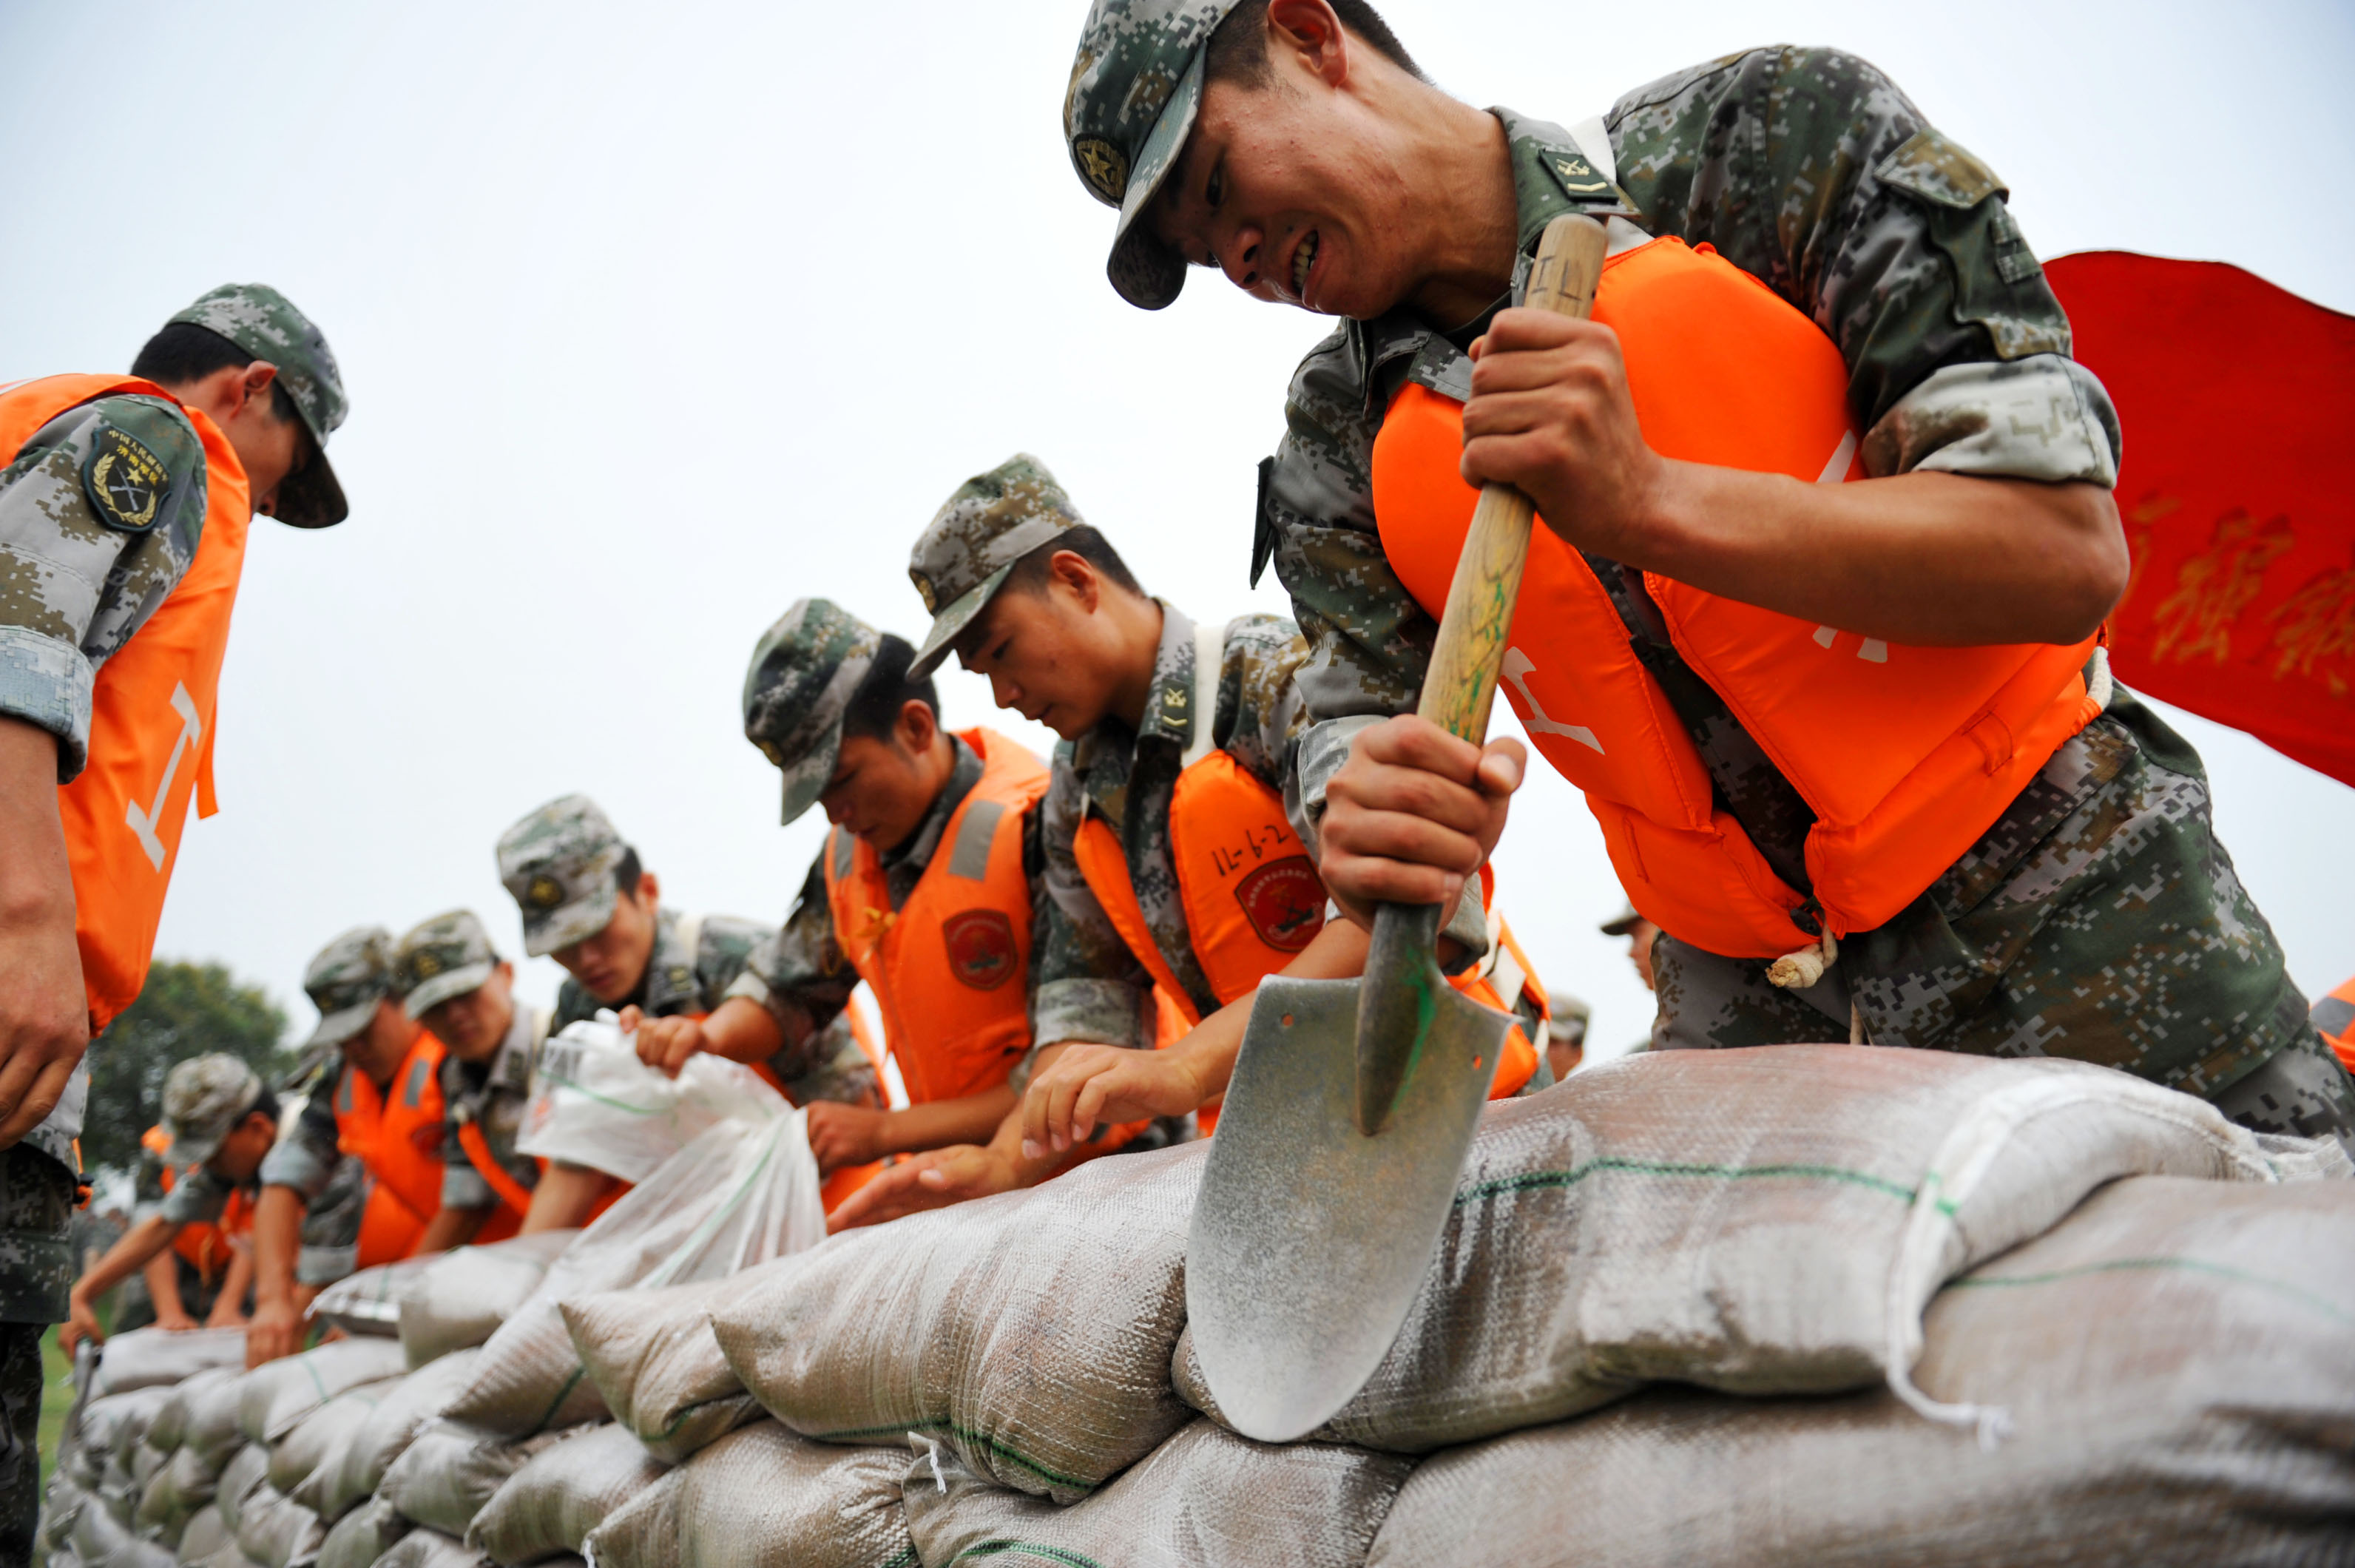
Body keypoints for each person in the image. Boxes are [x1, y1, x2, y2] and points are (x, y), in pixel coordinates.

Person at [1058, 0, 2355, 1148]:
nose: (1229, 254)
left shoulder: (1763, 141)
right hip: (1756, 1054)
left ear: (1306, 33)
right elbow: (1346, 730)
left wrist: (1649, 502)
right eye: (1194, 248)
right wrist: (1370, 818)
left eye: (1217, 180)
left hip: (2089, 941)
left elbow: (2060, 550)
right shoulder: (1337, 447)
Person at [839, 455, 1550, 1225]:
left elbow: (1414, 912)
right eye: (981, 675)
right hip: (1300, 1178)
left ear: (1077, 580)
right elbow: (1083, 1028)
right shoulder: (1073, 800)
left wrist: (1185, 1065)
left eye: (1001, 650)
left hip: (1474, 1120)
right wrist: (998, 1165)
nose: (1002, 697)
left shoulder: (1274, 677)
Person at [0, 283, 348, 1537]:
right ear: (251, 389)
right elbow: (9, 641)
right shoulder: (151, 445)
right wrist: (29, 924)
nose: (276, 488)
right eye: (291, 454)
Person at [629, 598, 1063, 1197]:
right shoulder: (846, 858)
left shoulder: (1040, 820)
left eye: (842, 781)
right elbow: (788, 990)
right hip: (975, 1187)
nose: (836, 813)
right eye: (817, 798)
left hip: (1105, 1170)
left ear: (914, 727)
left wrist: (882, 1131)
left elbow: (1070, 1061)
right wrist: (703, 1037)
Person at [496, 794, 880, 1220]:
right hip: (713, 1243)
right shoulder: (576, 1013)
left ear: (647, 891)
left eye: (598, 930)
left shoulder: (739, 960)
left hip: (837, 1218)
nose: (586, 959)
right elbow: (574, 1161)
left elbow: (859, 1121)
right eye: (563, 944)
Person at [245, 927, 448, 1365]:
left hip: (507, 1251)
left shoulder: (454, 1057)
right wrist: (273, 1301)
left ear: (404, 998)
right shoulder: (340, 1080)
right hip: (422, 1274)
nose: (354, 1046)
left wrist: (384, 1308)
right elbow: (283, 1182)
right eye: (342, 1034)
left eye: (365, 1028)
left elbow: (470, 1203)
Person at [58, 1056, 279, 1356]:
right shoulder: (230, 1170)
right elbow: (164, 1222)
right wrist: (80, 1295)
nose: (206, 1164)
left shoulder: (314, 1153)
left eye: (214, 1152)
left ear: (258, 1128)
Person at [392, 910, 555, 1246]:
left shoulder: (560, 1041)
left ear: (506, 974)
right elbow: (466, 1200)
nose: (454, 1016)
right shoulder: (457, 1081)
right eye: (435, 1005)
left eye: (466, 993)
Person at [118, 1121, 256, 1335]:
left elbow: (254, 1227)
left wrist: (229, 1306)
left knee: (252, 1330)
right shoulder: (157, 1148)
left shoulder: (246, 1145)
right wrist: (169, 1312)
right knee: (137, 1326)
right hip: (168, 1262)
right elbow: (150, 1223)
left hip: (235, 1261)